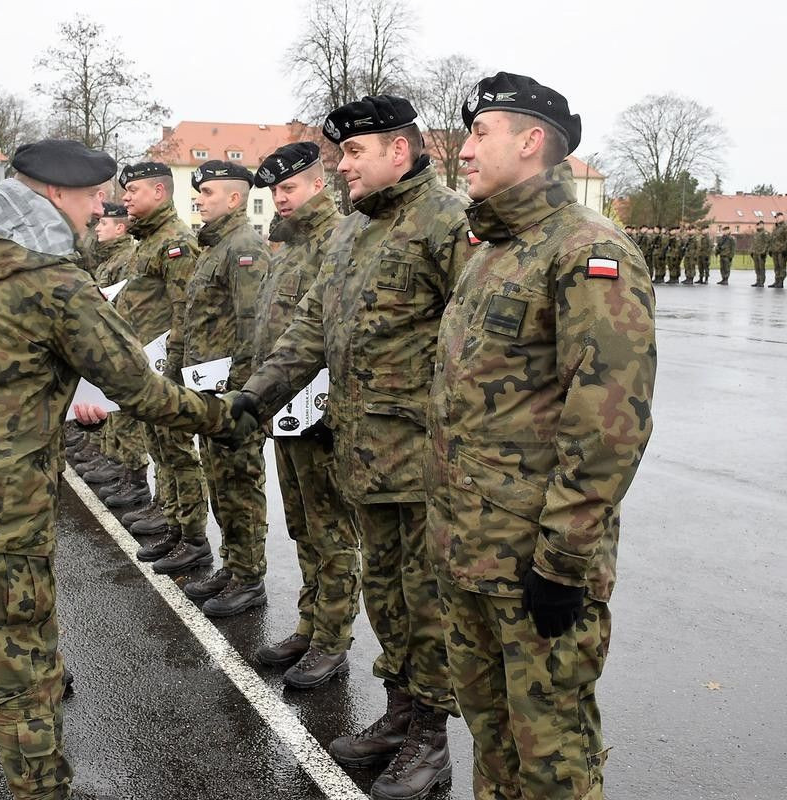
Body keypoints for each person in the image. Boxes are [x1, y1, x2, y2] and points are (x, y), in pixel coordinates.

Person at [0, 139, 248, 800]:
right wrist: (225, 414)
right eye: (94, 196)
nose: (103, 207)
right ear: (53, 193)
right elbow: (139, 387)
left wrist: (39, 390)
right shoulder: (55, 278)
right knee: (24, 671)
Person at [233, 93, 473, 799]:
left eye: (354, 155)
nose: (342, 170)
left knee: (428, 604)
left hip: (427, 464)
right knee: (388, 598)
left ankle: (432, 742)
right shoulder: (351, 235)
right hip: (364, 461)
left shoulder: (448, 223)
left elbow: (477, 346)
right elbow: (309, 329)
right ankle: (399, 716)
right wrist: (254, 398)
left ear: (398, 150)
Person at [431, 71, 656, 800]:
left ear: (531, 143)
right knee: (491, 742)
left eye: (479, 134)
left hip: (534, 565)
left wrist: (562, 562)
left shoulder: (588, 251)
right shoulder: (492, 249)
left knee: (552, 757)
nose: (464, 151)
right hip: (469, 553)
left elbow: (608, 423)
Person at [248, 141, 362, 687]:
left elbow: (340, 335)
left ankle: (332, 639)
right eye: (275, 191)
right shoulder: (290, 247)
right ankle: (309, 624)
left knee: (332, 530)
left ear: (319, 184)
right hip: (286, 410)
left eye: (289, 188)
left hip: (321, 415)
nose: (280, 199)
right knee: (303, 527)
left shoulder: (339, 241)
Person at [178, 160, 272, 617]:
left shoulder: (245, 247)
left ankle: (250, 576)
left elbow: (254, 326)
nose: (199, 199)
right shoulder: (215, 247)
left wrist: (241, 395)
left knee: (240, 485)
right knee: (220, 483)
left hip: (232, 397)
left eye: (209, 193)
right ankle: (234, 565)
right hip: (209, 394)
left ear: (235, 199)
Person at [110, 162, 211, 558]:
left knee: (178, 452)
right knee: (160, 449)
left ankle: (194, 538)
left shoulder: (176, 242)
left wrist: (173, 370)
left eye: (133, 190)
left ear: (159, 192)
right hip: (146, 366)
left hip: (167, 367)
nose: (126, 198)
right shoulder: (148, 240)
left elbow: (184, 310)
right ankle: (174, 522)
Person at [81, 203, 152, 510]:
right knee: (114, 412)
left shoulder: (126, 258)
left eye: (104, 223)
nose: (98, 228)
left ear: (120, 228)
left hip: (130, 341)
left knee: (128, 418)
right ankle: (116, 463)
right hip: (110, 339)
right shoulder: (111, 256)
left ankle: (133, 477)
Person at [768, 212, 787, 288]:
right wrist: (770, 249)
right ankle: (777, 280)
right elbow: (772, 239)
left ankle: (781, 281)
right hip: (775, 250)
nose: (777, 219)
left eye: (778, 217)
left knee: (782, 267)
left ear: (782, 217)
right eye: (776, 217)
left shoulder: (786, 226)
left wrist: (785, 250)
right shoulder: (776, 227)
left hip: (781, 251)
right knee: (776, 267)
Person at [749, 220, 769, 286]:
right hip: (755, 253)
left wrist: (764, 251)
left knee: (761, 268)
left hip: (761, 253)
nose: (758, 226)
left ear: (763, 225)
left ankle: (761, 282)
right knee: (757, 268)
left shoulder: (765, 233)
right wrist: (751, 251)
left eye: (760, 225)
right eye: (757, 225)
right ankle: (758, 280)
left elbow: (767, 243)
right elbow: (753, 243)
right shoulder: (756, 233)